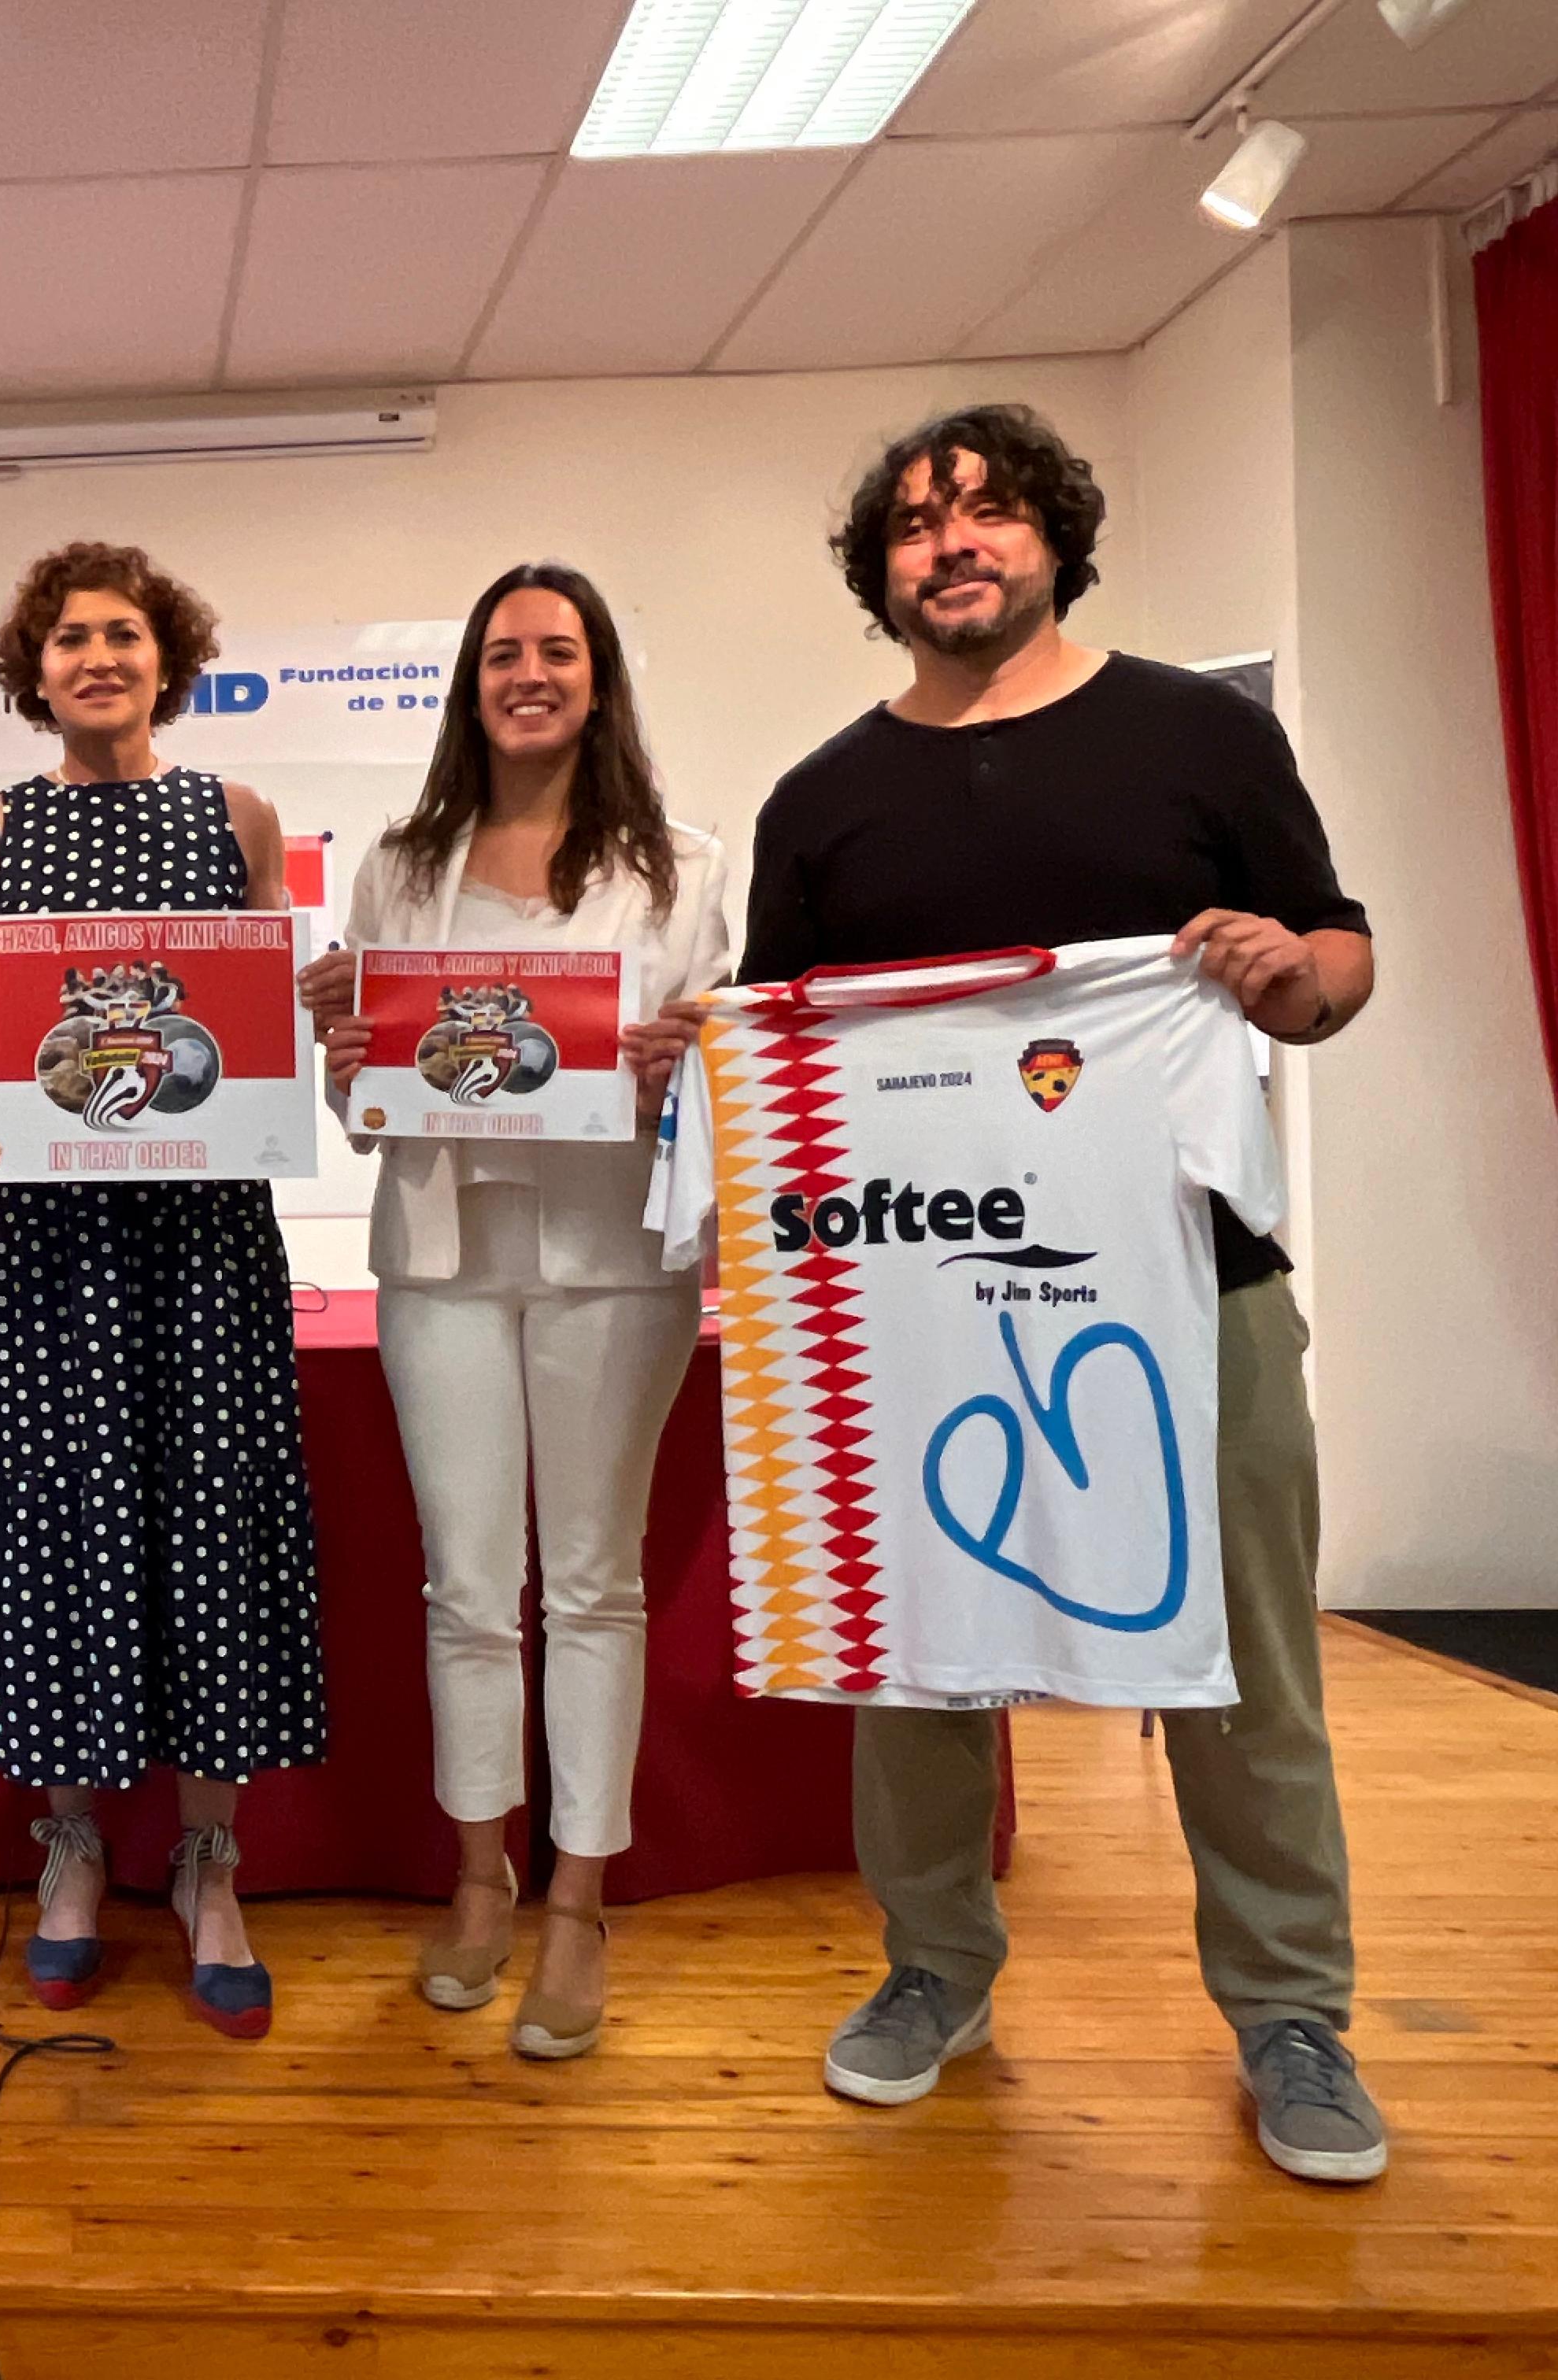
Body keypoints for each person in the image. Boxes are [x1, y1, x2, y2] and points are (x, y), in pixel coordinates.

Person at [639, 403, 1384, 2182]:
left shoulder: (1200, 734)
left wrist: (1289, 974)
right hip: (909, 1301)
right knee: (911, 1645)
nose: (952, 543)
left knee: (1242, 1660)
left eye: (986, 511)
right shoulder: (823, 799)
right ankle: (933, 1967)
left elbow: (1339, 955)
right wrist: (701, 1062)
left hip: (1195, 1282)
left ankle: (1293, 2012)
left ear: (1054, 537)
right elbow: (779, 1046)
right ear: (880, 573)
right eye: (915, 525)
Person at [298, 563, 728, 2056]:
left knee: (595, 1584)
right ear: (470, 683)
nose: (528, 674)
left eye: (558, 650)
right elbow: (366, 1101)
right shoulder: (398, 864)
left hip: (614, 1252)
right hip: (443, 1256)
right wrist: (344, 1056)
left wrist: (684, 1070)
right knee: (468, 1588)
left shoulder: (684, 868)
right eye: (502, 653)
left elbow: (723, 1088)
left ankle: (578, 1899)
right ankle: (479, 1876)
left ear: (598, 679)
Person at [0, 542, 321, 2040]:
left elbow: (265, 1024)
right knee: (59, 1518)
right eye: (70, 637)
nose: (98, 657)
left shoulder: (239, 814)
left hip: (206, 1240)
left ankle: (209, 1859)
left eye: (124, 634)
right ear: (37, 670)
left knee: (211, 1515)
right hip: (49, 1241)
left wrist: (316, 1005)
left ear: (167, 658)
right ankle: (70, 1849)